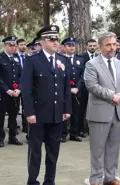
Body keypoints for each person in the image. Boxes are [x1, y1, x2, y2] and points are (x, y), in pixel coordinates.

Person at [21, 25, 71, 185]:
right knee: (35, 151)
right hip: (38, 114)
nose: (56, 42)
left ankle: (50, 180)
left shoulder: (63, 61)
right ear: (42, 42)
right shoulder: (33, 61)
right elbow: (26, 89)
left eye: (57, 39)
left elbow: (66, 88)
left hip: (56, 114)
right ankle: (32, 180)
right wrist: (29, 112)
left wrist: (66, 109)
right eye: (52, 39)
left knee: (53, 151)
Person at [84, 32, 120, 185]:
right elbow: (92, 86)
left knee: (113, 148)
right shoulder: (92, 64)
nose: (112, 47)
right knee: (97, 150)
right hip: (100, 112)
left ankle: (110, 177)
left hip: (118, 112)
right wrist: (113, 96)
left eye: (114, 44)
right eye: (108, 44)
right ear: (100, 46)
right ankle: (96, 179)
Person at [0, 35, 23, 147]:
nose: (13, 48)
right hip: (4, 93)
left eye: (14, 45)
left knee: (14, 115)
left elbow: (21, 75)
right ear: (5, 45)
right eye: (10, 45)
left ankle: (12, 136)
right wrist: (7, 90)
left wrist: (19, 89)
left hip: (16, 93)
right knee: (1, 116)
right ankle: (0, 138)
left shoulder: (16, 58)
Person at [60, 37, 84, 142]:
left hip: (77, 91)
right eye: (69, 45)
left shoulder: (80, 59)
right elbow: (59, 76)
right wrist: (69, 89)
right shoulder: (60, 59)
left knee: (76, 113)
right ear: (64, 47)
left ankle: (74, 133)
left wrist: (78, 87)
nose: (71, 47)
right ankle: (63, 134)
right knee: (64, 113)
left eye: (73, 45)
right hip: (65, 91)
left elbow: (83, 75)